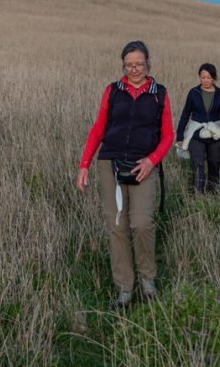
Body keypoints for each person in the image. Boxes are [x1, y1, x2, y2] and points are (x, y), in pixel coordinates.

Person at [76, 41, 174, 309]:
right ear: (123, 65)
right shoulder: (113, 91)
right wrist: (84, 164)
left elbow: (168, 136)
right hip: (111, 164)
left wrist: (151, 161)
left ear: (148, 64)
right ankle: (124, 289)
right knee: (117, 226)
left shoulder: (159, 94)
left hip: (144, 167)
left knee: (141, 223)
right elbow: (98, 128)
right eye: (129, 65)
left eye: (139, 64)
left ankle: (147, 279)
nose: (134, 69)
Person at [176, 63, 220, 194]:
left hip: (214, 134)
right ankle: (198, 194)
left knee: (214, 164)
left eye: (209, 77)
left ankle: (213, 193)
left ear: (214, 78)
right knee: (197, 164)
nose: (205, 80)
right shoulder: (193, 93)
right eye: (203, 77)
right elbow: (185, 115)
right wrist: (180, 136)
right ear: (199, 77)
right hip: (196, 134)